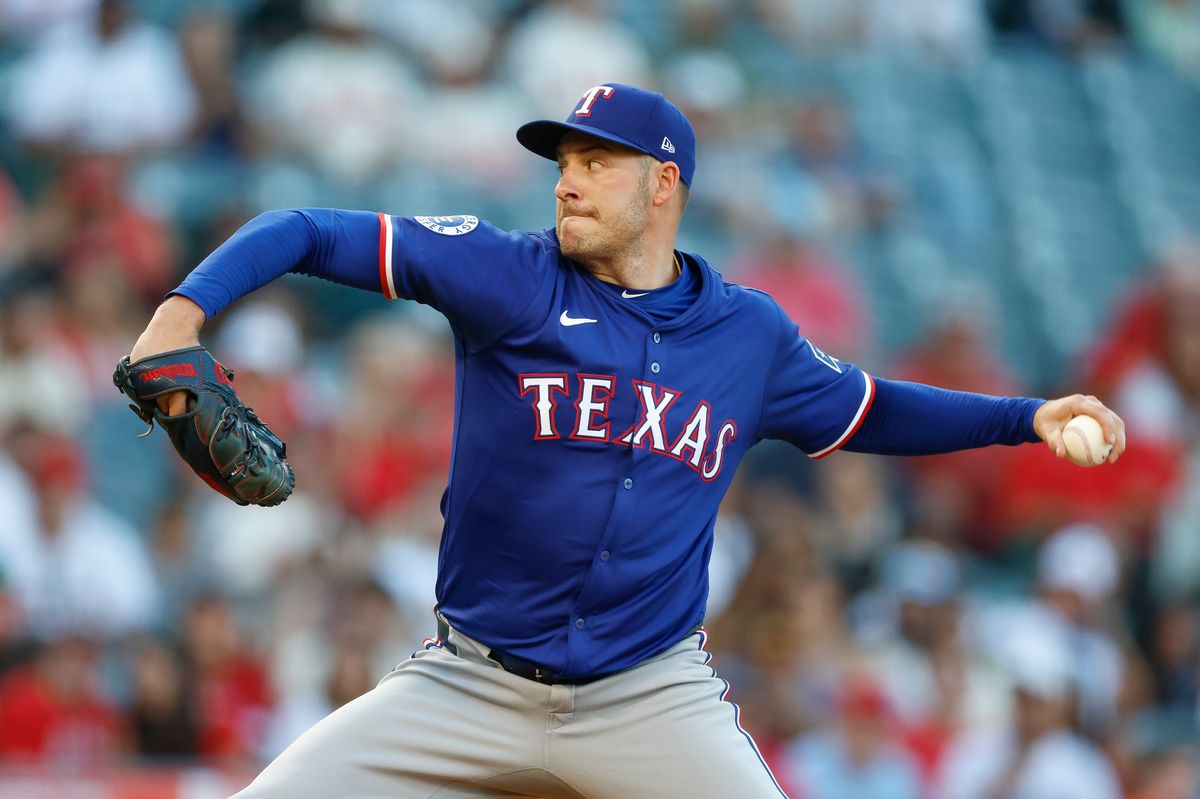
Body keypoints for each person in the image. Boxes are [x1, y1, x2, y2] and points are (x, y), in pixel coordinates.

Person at [126, 83, 1126, 798]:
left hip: (649, 700)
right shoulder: (509, 275)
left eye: (595, 163)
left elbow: (869, 409)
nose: (567, 181)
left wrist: (1023, 418)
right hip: (468, 680)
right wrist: (180, 313)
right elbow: (303, 227)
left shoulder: (749, 337)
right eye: (563, 162)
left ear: (663, 184)